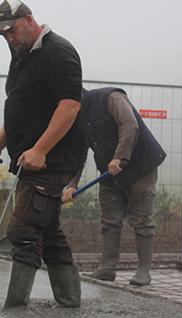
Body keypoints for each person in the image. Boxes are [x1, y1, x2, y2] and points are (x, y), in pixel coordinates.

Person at [0, 0, 84, 309]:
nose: (8, 39)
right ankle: (69, 302)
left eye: (10, 31)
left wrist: (40, 149)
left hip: (53, 158)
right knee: (47, 230)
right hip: (29, 158)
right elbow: (20, 107)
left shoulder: (59, 52)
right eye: (3, 35)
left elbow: (70, 106)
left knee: (24, 228)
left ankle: (14, 307)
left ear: (28, 20)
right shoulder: (21, 54)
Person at [63, 87, 166, 286]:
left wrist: (120, 157)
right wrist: (71, 184)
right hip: (109, 173)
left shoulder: (111, 98)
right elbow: (79, 152)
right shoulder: (75, 116)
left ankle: (144, 271)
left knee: (142, 219)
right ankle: (107, 269)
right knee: (109, 220)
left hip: (140, 167)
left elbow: (129, 126)